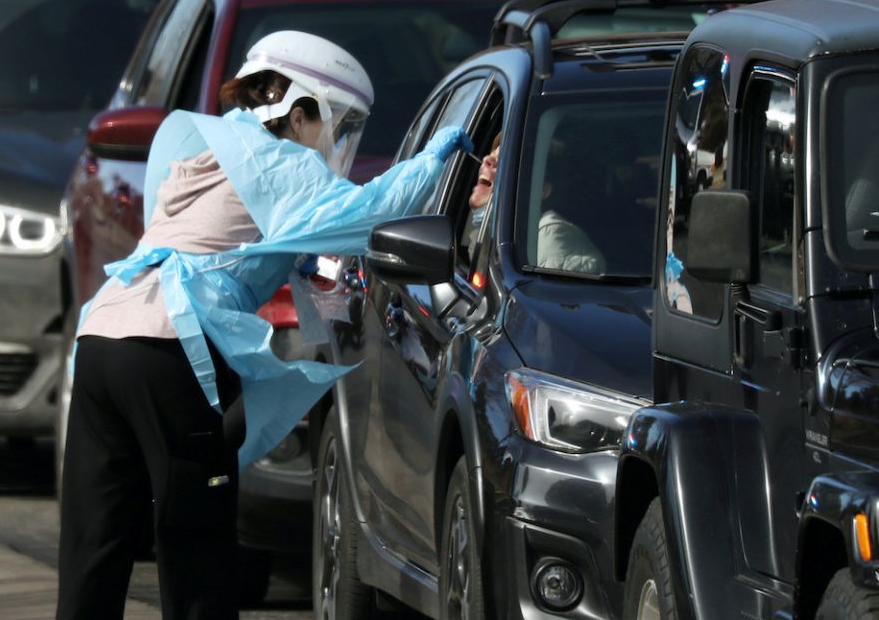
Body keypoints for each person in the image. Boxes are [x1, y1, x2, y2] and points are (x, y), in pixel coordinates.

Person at [56, 30, 470, 620]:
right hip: (169, 348)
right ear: (299, 109)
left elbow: (212, 237)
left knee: (93, 548)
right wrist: (441, 159)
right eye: (336, 121)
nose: (333, 140)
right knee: (195, 547)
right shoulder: (283, 160)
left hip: (102, 340)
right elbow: (371, 214)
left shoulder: (211, 151)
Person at [468, 134, 605, 273]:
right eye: (493, 155)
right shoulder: (506, 233)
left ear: (541, 190)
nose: (487, 160)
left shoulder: (550, 234)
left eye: (504, 162)